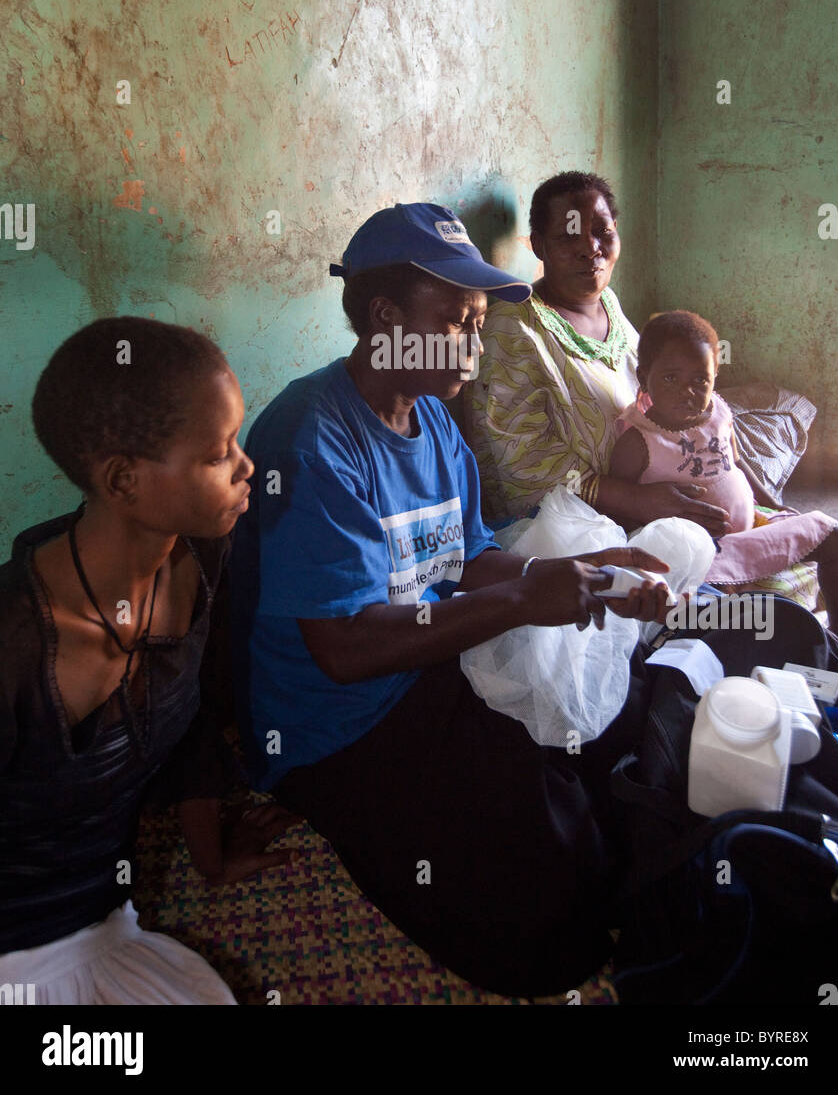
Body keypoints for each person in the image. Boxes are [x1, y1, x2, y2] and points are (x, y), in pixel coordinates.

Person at [230, 201, 672, 997]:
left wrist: (594, 568)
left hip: (429, 664)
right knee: (537, 925)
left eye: (477, 319)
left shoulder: (433, 419)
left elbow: (467, 559)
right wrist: (524, 601)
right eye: (457, 318)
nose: (474, 339)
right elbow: (345, 650)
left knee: (602, 738)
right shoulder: (313, 438)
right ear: (384, 316)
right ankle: (306, 793)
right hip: (338, 719)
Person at [0, 318, 293, 1005]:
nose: (247, 467)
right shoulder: (10, 647)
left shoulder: (199, 561)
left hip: (104, 927)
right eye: (219, 454)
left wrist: (210, 859)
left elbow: (187, 717)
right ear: (125, 480)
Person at [463, 170, 820, 609]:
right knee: (744, 606)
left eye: (602, 231)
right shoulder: (513, 330)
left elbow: (658, 399)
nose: (589, 248)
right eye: (567, 236)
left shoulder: (607, 305)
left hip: (660, 498)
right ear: (539, 245)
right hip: (580, 525)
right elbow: (525, 468)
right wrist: (638, 498)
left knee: (821, 547)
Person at [608, 310, 838, 652]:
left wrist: (770, 501)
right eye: (670, 379)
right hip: (708, 558)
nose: (688, 392)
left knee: (836, 537)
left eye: (701, 380)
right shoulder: (638, 441)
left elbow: (737, 462)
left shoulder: (719, 412)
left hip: (753, 527)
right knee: (730, 615)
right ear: (643, 377)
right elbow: (621, 515)